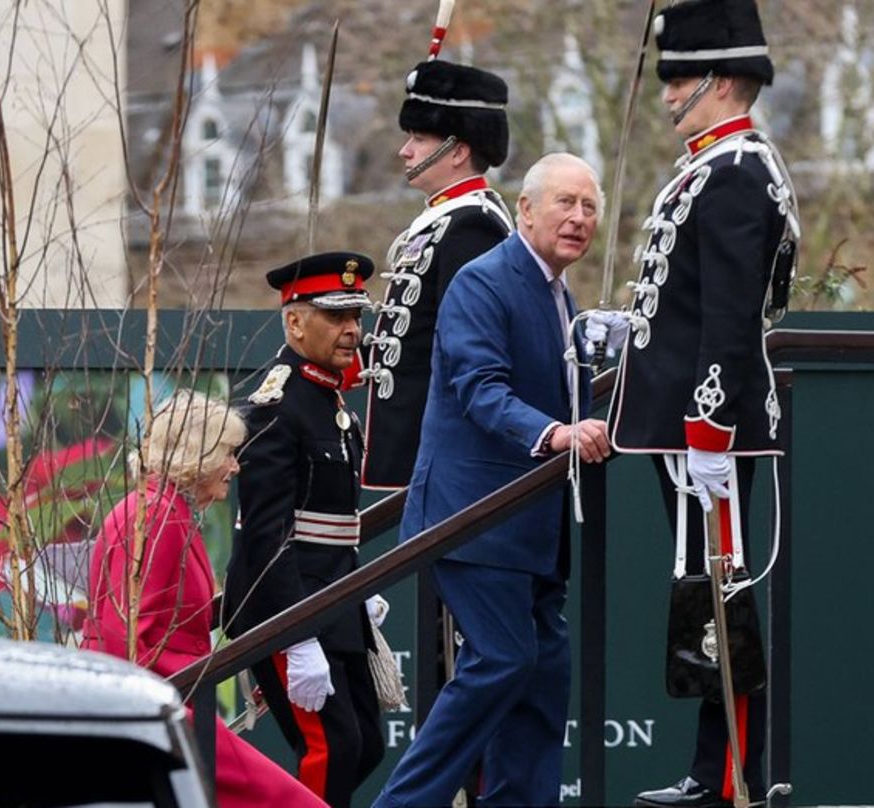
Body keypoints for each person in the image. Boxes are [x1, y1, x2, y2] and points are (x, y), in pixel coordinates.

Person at [602, 1, 800, 805]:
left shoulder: (736, 172)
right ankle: (715, 766)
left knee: (718, 588)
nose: (666, 93)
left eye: (677, 77)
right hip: (684, 424)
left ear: (715, 81)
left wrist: (710, 428)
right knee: (703, 585)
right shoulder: (714, 165)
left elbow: (727, 316)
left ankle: (730, 775)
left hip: (703, 427)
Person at [371, 152, 610, 808]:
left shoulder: (562, 296)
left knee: (544, 673)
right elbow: (479, 388)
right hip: (474, 518)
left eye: (589, 207)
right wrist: (558, 433)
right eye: (565, 203)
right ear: (525, 211)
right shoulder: (483, 282)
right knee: (502, 660)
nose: (579, 218)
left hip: (533, 527)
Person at [81, 391, 327, 808]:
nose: (235, 465)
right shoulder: (156, 517)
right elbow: (126, 634)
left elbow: (167, 620)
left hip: (173, 703)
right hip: (162, 709)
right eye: (228, 453)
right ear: (197, 454)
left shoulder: (164, 510)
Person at [221, 252, 385, 808]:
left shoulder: (328, 397)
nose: (352, 330)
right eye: (336, 316)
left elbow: (332, 521)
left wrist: (360, 592)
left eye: (355, 316)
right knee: (333, 749)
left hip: (334, 600)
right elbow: (266, 535)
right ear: (294, 322)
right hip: (286, 609)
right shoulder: (275, 405)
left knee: (366, 746)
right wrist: (295, 633)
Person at [360, 59, 514, 490]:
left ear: (458, 150)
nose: (404, 150)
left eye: (419, 138)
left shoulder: (474, 225)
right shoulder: (441, 220)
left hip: (439, 455)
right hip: (410, 452)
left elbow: (465, 351)